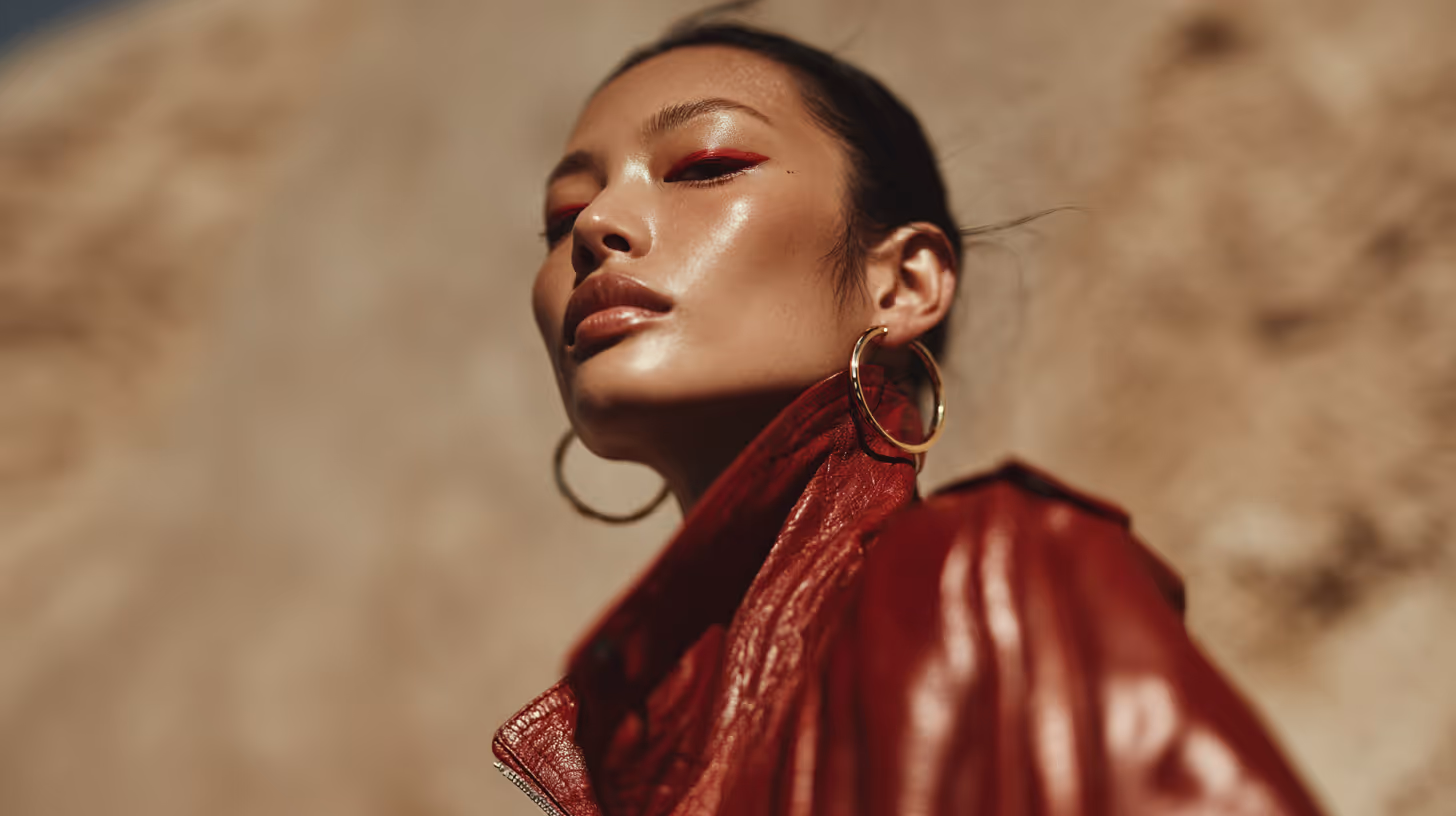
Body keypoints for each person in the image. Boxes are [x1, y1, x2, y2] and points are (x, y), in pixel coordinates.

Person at [493, 12, 1329, 816]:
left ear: (903, 285)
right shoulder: (623, 750)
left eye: (706, 165)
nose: (597, 225)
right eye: (561, 217)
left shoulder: (996, 582)